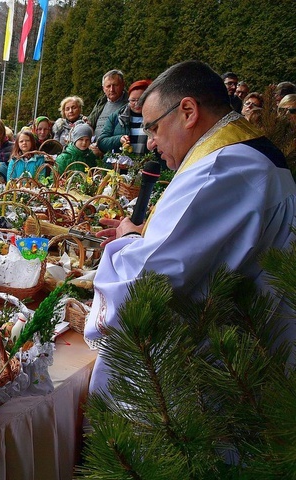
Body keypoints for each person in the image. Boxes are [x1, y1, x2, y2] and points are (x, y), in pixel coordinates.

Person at [85, 60, 296, 397]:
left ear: (187, 111)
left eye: (153, 128)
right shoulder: (246, 154)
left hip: (217, 377)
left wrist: (127, 239)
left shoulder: (222, 168)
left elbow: (146, 282)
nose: (150, 142)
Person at [97, 79, 153, 155]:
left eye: (140, 100)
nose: (137, 104)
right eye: (133, 100)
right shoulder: (117, 116)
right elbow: (102, 142)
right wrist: (119, 139)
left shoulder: (156, 117)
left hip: (147, 165)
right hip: (121, 165)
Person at [87, 69, 128, 138]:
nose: (112, 89)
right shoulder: (100, 103)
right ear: (103, 88)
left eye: (115, 85)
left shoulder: (129, 103)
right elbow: (90, 123)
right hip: (95, 146)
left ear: (123, 85)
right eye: (108, 86)